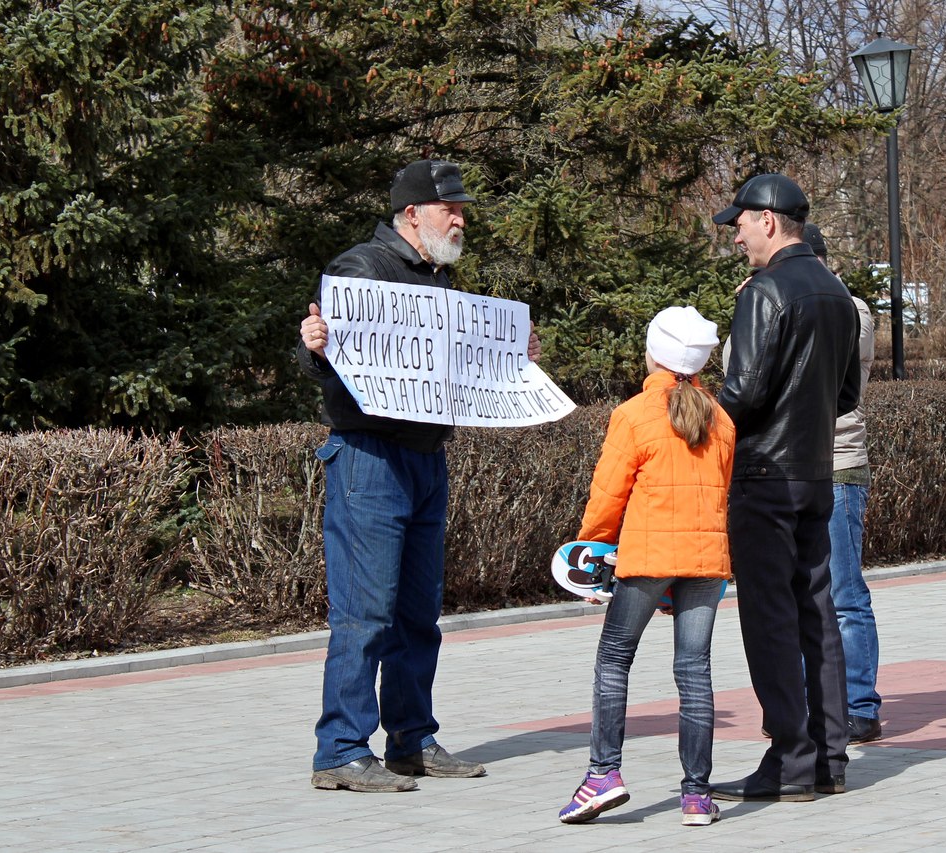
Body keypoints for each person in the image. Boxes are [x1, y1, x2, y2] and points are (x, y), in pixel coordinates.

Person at [298, 159, 541, 793]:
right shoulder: (361, 269)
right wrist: (314, 345)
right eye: (450, 210)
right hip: (370, 460)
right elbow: (328, 357)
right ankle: (341, 751)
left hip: (427, 458)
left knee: (417, 614)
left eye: (460, 209)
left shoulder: (438, 279)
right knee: (366, 614)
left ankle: (410, 738)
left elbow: (446, 370)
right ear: (413, 215)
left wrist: (512, 356)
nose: (461, 219)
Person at [708, 174, 861, 803]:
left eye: (740, 221)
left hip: (764, 477)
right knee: (815, 611)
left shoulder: (766, 291)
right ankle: (828, 755)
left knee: (768, 617)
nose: (736, 233)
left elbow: (740, 394)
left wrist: (695, 432)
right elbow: (847, 395)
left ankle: (791, 758)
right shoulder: (836, 293)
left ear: (769, 221)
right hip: (815, 474)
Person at [558, 306, 735, 827]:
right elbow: (723, 492)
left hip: (647, 557)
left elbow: (608, 495)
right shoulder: (721, 418)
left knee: (614, 660)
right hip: (706, 563)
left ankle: (602, 776)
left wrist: (588, 551)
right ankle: (697, 796)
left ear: (655, 352)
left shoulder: (633, 414)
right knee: (694, 672)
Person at [805, 224, 883, 744]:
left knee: (845, 593)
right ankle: (815, 704)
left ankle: (860, 705)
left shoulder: (847, 309)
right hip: (800, 467)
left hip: (836, 466)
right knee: (806, 593)